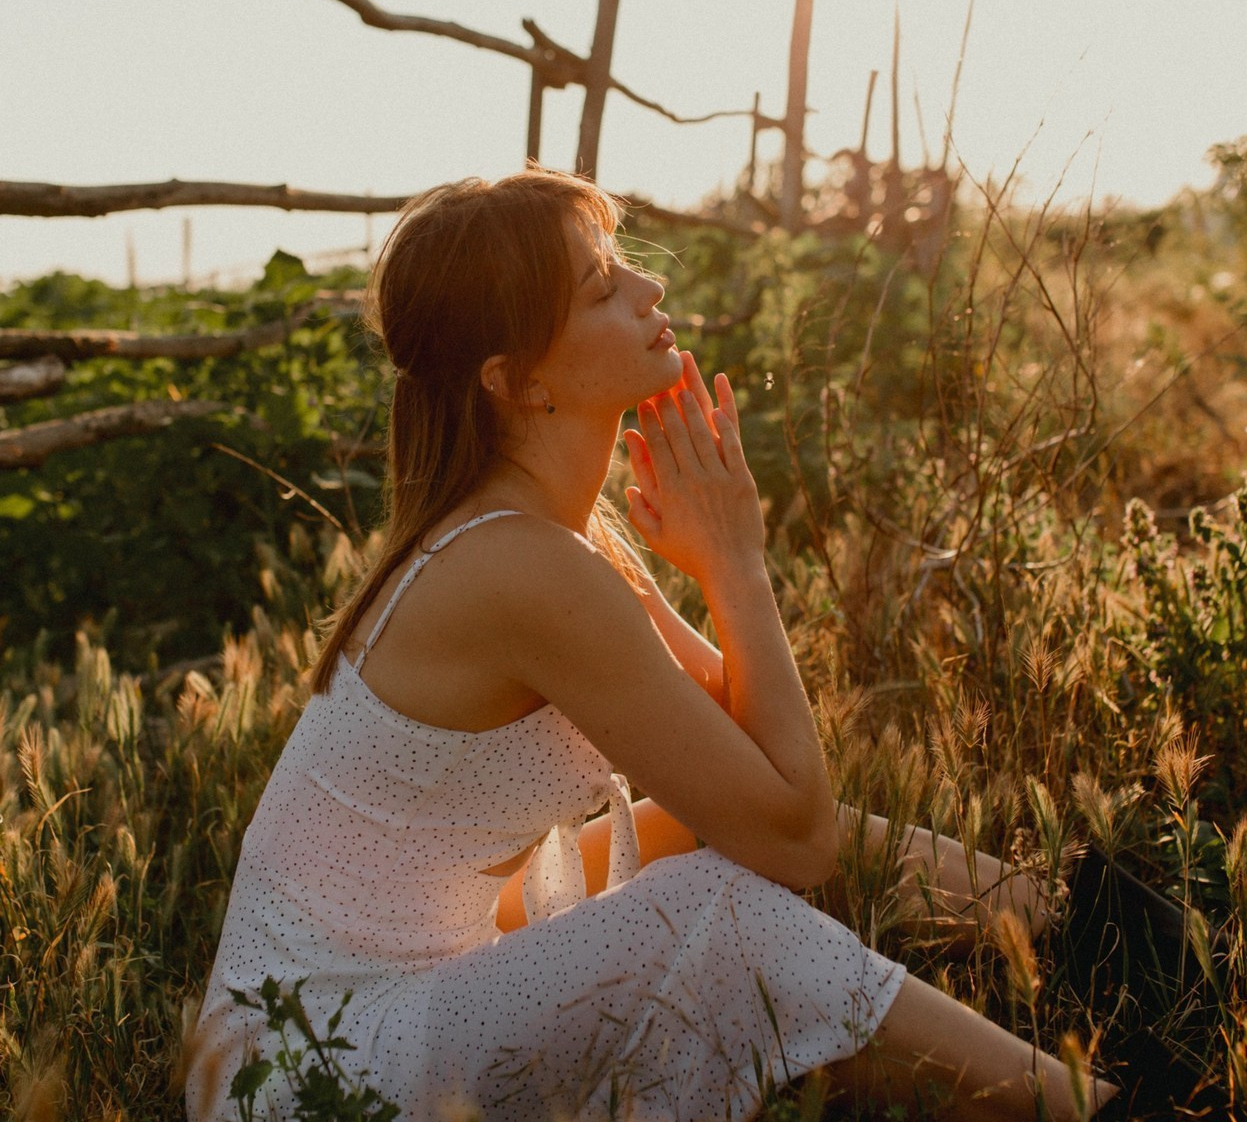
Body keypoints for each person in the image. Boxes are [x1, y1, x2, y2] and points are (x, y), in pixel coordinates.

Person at [186, 170, 1117, 1121]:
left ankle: (1119, 943)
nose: (650, 291)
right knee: (715, 914)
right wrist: (735, 566)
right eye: (601, 289)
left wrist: (723, 562)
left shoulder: (555, 540)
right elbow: (794, 837)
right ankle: (1098, 1105)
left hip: (416, 977)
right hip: (309, 1065)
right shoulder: (517, 567)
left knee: (711, 837)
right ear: (517, 381)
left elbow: (754, 779)